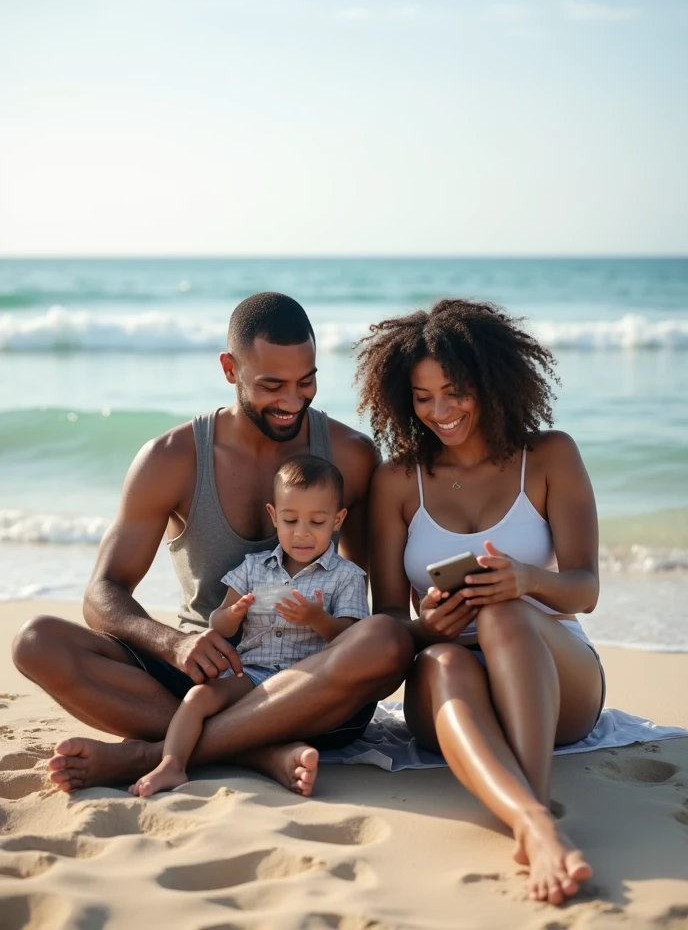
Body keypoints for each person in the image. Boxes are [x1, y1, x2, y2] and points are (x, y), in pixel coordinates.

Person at [12, 292, 413, 796]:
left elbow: (364, 601)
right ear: (230, 368)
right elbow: (103, 592)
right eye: (272, 385)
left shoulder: (351, 456)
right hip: (204, 677)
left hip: (312, 689)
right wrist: (174, 644)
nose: (293, 401)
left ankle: (154, 755)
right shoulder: (171, 458)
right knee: (38, 642)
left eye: (305, 382)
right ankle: (258, 750)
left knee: (388, 641)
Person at [357, 298, 604, 907]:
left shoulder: (549, 456)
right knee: (441, 660)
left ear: (490, 381)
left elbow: (585, 588)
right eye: (422, 397)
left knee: (504, 611)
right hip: (451, 686)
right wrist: (427, 628)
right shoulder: (396, 481)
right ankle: (535, 826)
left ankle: (535, 810)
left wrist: (525, 579)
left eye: (455, 391)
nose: (440, 411)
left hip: (556, 678)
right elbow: (389, 617)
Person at [130, 456, 369, 797]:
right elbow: (219, 623)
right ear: (274, 516)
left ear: (337, 520)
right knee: (199, 696)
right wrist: (234, 613)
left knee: (280, 716)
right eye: (290, 520)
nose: (302, 532)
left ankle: (276, 755)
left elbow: (354, 641)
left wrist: (317, 619)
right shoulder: (253, 568)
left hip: (307, 681)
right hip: (252, 673)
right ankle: (172, 764)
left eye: (317, 521)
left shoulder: (346, 576)